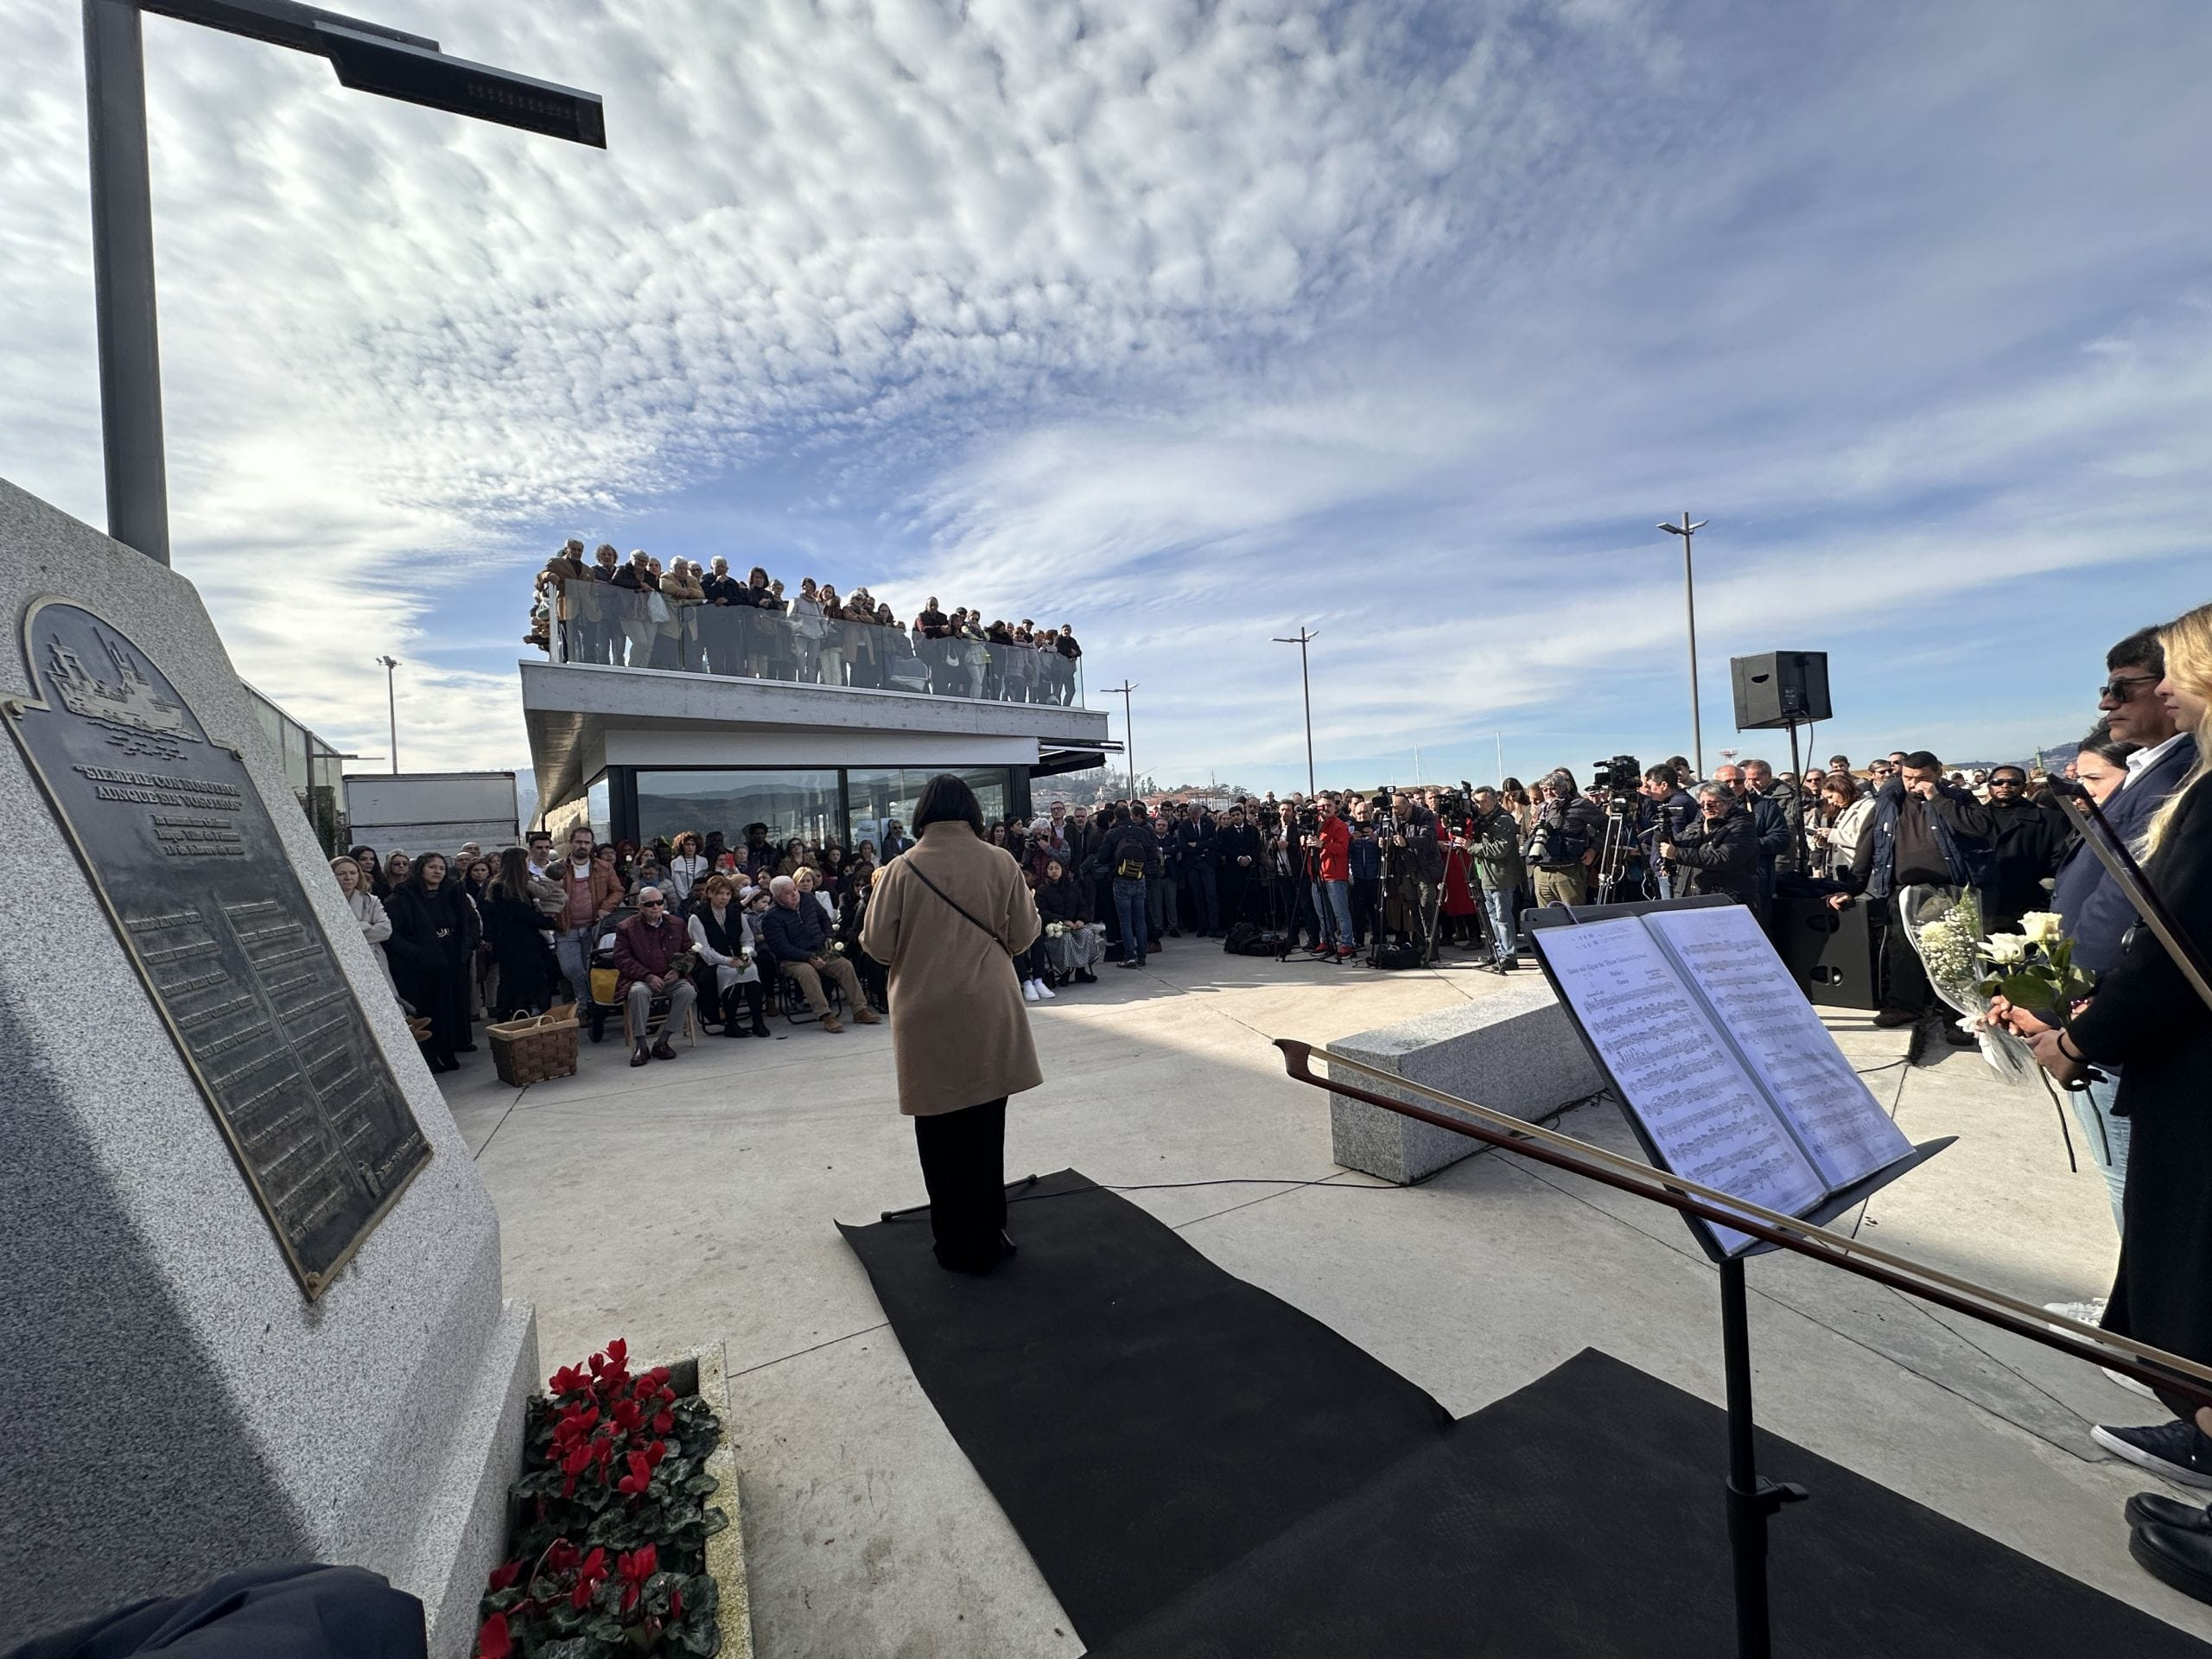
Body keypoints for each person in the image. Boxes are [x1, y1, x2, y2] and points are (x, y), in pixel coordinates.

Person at [2024, 605, 2212, 1556]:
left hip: (2191, 1072)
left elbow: (2169, 946)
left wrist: (2078, 1036)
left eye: (2169, 674)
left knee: (2191, 1264)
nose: (2156, 692)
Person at [861, 773, 1043, 1274]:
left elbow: (877, 947)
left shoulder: (900, 869)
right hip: (988, 1006)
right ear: (972, 812)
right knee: (987, 1127)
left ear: (922, 813)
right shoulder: (1000, 860)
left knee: (938, 1134)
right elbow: (1025, 934)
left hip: (925, 1011)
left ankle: (954, 1244)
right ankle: (989, 1232)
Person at [1829, 750, 1993, 1034]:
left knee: (1952, 955)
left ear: (1938, 774)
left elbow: (1978, 829)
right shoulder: (1888, 803)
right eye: (1907, 777)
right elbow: (1869, 845)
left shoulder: (1956, 798)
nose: (1913, 783)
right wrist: (1853, 889)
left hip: (1948, 890)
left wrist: (1937, 799)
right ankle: (1905, 1005)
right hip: (1903, 892)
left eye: (1922, 778)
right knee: (1902, 952)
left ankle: (1956, 1015)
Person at [384, 852, 470, 1072]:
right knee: (426, 1010)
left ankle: (447, 1050)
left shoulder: (451, 893)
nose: (437, 872)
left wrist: (466, 948)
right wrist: (417, 953)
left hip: (449, 959)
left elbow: (466, 922)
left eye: (441, 868)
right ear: (420, 869)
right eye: (432, 867)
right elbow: (392, 935)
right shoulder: (401, 898)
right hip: (419, 965)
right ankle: (429, 1056)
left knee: (449, 1008)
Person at [763, 874, 877, 1032]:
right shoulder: (771, 917)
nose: (794, 894)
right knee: (807, 972)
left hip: (820, 949)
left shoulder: (808, 899)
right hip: (793, 959)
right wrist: (808, 958)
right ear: (777, 897)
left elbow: (824, 919)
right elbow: (781, 947)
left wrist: (829, 936)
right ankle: (826, 1016)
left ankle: (860, 1009)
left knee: (845, 966)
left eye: (794, 890)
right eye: (788, 893)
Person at [613, 887, 697, 1065]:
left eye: (659, 902)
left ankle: (663, 1041)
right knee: (638, 993)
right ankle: (641, 1045)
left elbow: (690, 951)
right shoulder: (626, 928)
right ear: (640, 907)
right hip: (641, 978)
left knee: (688, 991)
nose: (656, 907)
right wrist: (646, 976)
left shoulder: (677, 923)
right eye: (649, 904)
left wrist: (678, 970)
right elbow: (622, 959)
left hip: (671, 976)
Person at [1980, 765, 2067, 931]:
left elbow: (2060, 860)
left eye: (2013, 782)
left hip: (2029, 902)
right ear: (1989, 786)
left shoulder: (2051, 819)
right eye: (1998, 782)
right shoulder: (1972, 817)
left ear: (2024, 787)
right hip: (1984, 903)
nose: (2005, 786)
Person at [553, 827, 625, 1008]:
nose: (582, 846)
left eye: (586, 842)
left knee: (590, 969)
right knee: (571, 969)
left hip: (594, 928)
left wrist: (605, 908)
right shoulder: (558, 868)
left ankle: (588, 1007)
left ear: (592, 845)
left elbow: (617, 891)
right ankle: (587, 1002)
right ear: (571, 842)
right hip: (565, 928)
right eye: (578, 842)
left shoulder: (604, 867)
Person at [689, 874, 768, 1038]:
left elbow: (747, 939)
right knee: (731, 972)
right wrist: (727, 961)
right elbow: (704, 951)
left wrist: (746, 954)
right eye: (720, 893)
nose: (724, 898)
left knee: (752, 970)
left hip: (737, 958)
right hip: (711, 963)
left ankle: (758, 1020)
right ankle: (731, 1022)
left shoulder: (736, 914)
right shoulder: (697, 918)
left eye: (727, 894)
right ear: (710, 894)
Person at [480, 849, 556, 1018]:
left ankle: (529, 1012)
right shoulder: (501, 886)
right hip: (514, 942)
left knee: (530, 979)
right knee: (517, 982)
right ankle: (516, 1015)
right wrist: (548, 922)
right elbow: (521, 912)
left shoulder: (521, 884)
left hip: (525, 940)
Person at [1663, 783, 1763, 908]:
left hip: (1725, 898)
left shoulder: (1742, 826)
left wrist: (1678, 853)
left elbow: (1723, 857)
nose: (1706, 808)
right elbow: (1672, 844)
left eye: (1712, 804)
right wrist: (1661, 829)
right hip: (1691, 896)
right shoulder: (1695, 826)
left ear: (1728, 803)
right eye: (1701, 805)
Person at [1096, 802, 1162, 968]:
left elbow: (1103, 857)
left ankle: (1129, 957)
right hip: (1140, 878)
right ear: (1130, 815)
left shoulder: (1113, 833)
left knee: (1125, 920)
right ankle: (1142, 956)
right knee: (1140, 919)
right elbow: (1152, 853)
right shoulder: (1141, 831)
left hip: (1120, 879)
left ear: (1116, 817)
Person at [1466, 786, 1524, 973]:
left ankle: (1509, 955)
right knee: (1492, 918)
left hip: (1501, 877)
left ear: (1494, 800)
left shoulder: (1503, 820)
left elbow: (1499, 850)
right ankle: (1499, 951)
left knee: (1503, 918)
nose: (1480, 806)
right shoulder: (1483, 821)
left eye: (1484, 801)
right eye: (1477, 802)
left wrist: (1471, 847)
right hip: (1486, 875)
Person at [1525, 771, 1600, 910]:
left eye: (1553, 788)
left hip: (1568, 872)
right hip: (1541, 872)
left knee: (1574, 918)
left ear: (1563, 787)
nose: (1549, 793)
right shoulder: (1541, 808)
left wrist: (1593, 850)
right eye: (1545, 789)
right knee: (1549, 922)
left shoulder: (1579, 805)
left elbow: (1608, 825)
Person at [1033, 854, 1103, 986]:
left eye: (1057, 868)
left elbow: (1083, 906)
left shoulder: (1072, 886)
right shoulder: (1043, 890)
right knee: (1066, 939)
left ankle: (1081, 971)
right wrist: (1062, 920)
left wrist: (1081, 919)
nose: (1054, 871)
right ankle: (1065, 972)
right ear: (1046, 871)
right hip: (1056, 926)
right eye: (1051, 868)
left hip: (1075, 925)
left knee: (1087, 934)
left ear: (1062, 870)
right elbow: (1042, 912)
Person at [330, 855, 395, 991]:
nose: (348, 877)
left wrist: (349, 933)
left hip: (372, 958)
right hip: (337, 961)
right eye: (341, 874)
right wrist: (366, 926)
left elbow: (385, 929)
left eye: (353, 873)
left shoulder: (371, 900)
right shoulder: (324, 902)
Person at [1306, 796, 1355, 961]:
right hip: (1316, 874)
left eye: (1328, 805)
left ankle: (1347, 943)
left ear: (1335, 807)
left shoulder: (1339, 825)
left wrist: (1323, 845)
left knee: (1340, 912)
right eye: (1321, 806)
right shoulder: (1315, 825)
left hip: (1334, 875)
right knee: (1322, 913)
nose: (1325, 808)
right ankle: (1326, 940)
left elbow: (1343, 848)